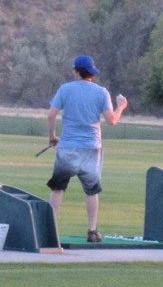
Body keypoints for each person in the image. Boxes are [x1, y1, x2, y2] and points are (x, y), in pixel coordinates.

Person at [45, 55, 128, 242]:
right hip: (91, 147)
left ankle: (49, 231)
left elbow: (51, 116)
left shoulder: (65, 89)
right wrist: (121, 106)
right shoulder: (101, 92)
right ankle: (92, 231)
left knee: (58, 188)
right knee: (92, 190)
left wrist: (52, 137)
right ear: (92, 73)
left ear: (76, 70)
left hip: (67, 147)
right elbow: (112, 120)